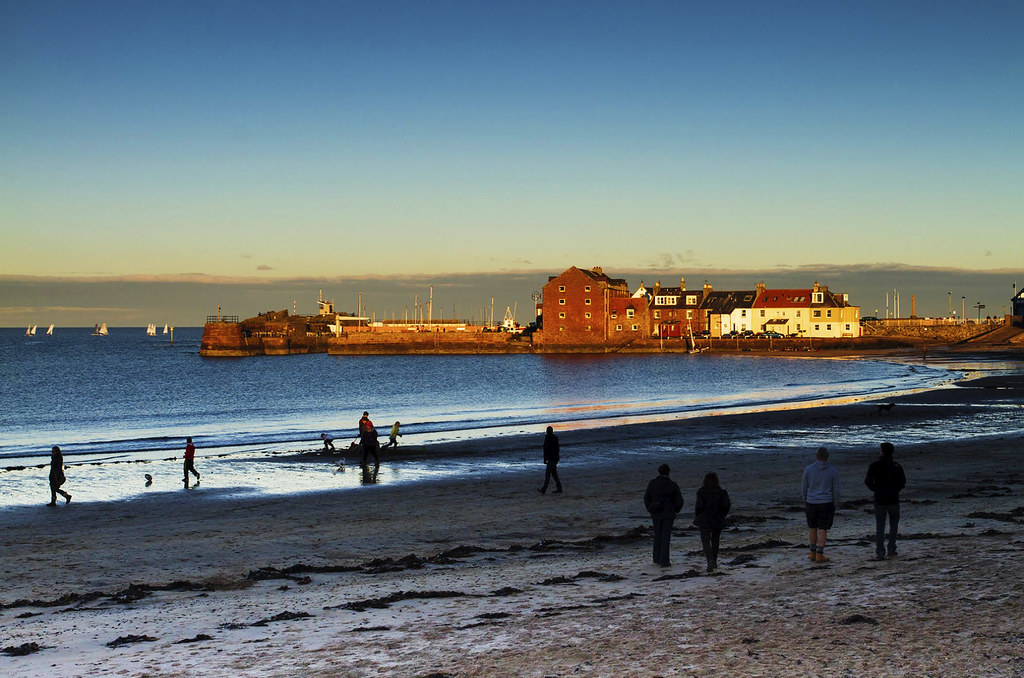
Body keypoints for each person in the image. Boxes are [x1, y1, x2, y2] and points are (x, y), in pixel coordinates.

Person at [865, 441, 907, 560]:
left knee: (880, 525)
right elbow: (902, 482)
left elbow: (867, 481)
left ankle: (880, 551)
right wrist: (896, 489)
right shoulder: (896, 466)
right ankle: (891, 548)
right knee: (893, 525)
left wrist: (875, 489)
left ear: (882, 452)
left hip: (880, 498)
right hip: (893, 498)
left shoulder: (874, 465)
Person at [802, 446, 839, 563]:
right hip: (826, 502)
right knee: (823, 529)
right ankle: (819, 553)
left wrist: (805, 499)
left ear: (817, 456)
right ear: (827, 457)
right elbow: (835, 489)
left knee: (812, 527)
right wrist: (836, 503)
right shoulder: (832, 470)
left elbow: (804, 487)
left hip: (811, 501)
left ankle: (812, 552)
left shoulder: (808, 469)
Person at [644, 464, 684, 567]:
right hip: (669, 514)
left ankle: (656, 558)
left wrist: (649, 508)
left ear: (659, 471)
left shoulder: (652, 483)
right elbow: (679, 500)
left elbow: (646, 498)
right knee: (665, 536)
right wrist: (676, 509)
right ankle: (664, 560)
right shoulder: (672, 485)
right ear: (668, 472)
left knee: (657, 535)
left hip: (656, 513)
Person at [694, 472, 731, 572]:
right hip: (717, 518)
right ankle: (714, 561)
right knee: (715, 540)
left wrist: (698, 515)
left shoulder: (701, 492)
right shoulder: (722, 492)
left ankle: (709, 560)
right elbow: (726, 505)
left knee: (705, 541)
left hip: (704, 519)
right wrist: (722, 515)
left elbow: (699, 506)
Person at [538, 426, 563, 494]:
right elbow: (553, 449)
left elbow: (547, 450)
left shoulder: (550, 438)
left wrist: (546, 459)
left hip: (552, 459)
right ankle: (559, 488)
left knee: (548, 475)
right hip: (553, 459)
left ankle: (544, 489)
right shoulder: (553, 438)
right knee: (554, 474)